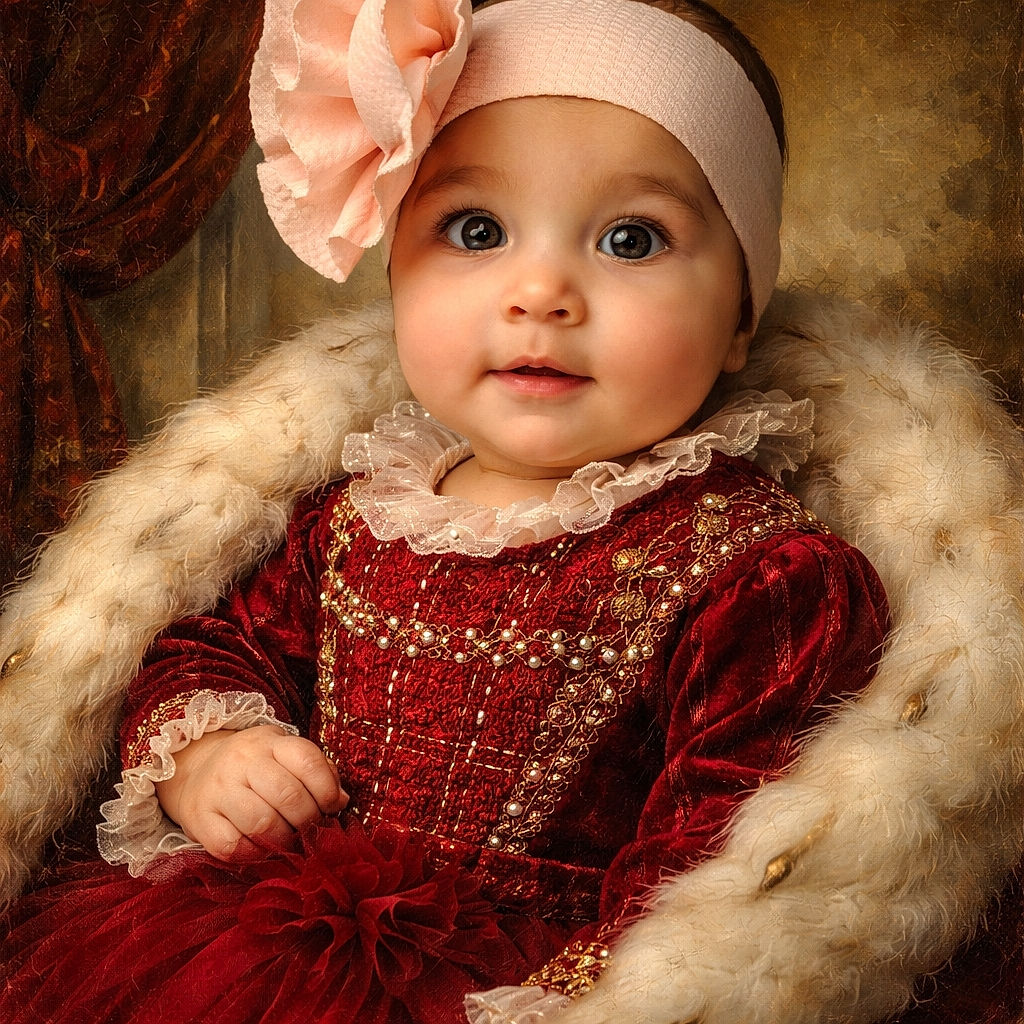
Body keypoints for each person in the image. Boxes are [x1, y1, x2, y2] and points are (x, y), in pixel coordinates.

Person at [1, 0, 1020, 1022]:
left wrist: (587, 995)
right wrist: (215, 751)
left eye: (631, 237)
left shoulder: (757, 572)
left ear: (742, 312)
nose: (541, 290)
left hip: (526, 983)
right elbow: (213, 644)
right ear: (396, 273)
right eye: (476, 230)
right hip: (258, 945)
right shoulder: (354, 509)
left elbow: (725, 866)